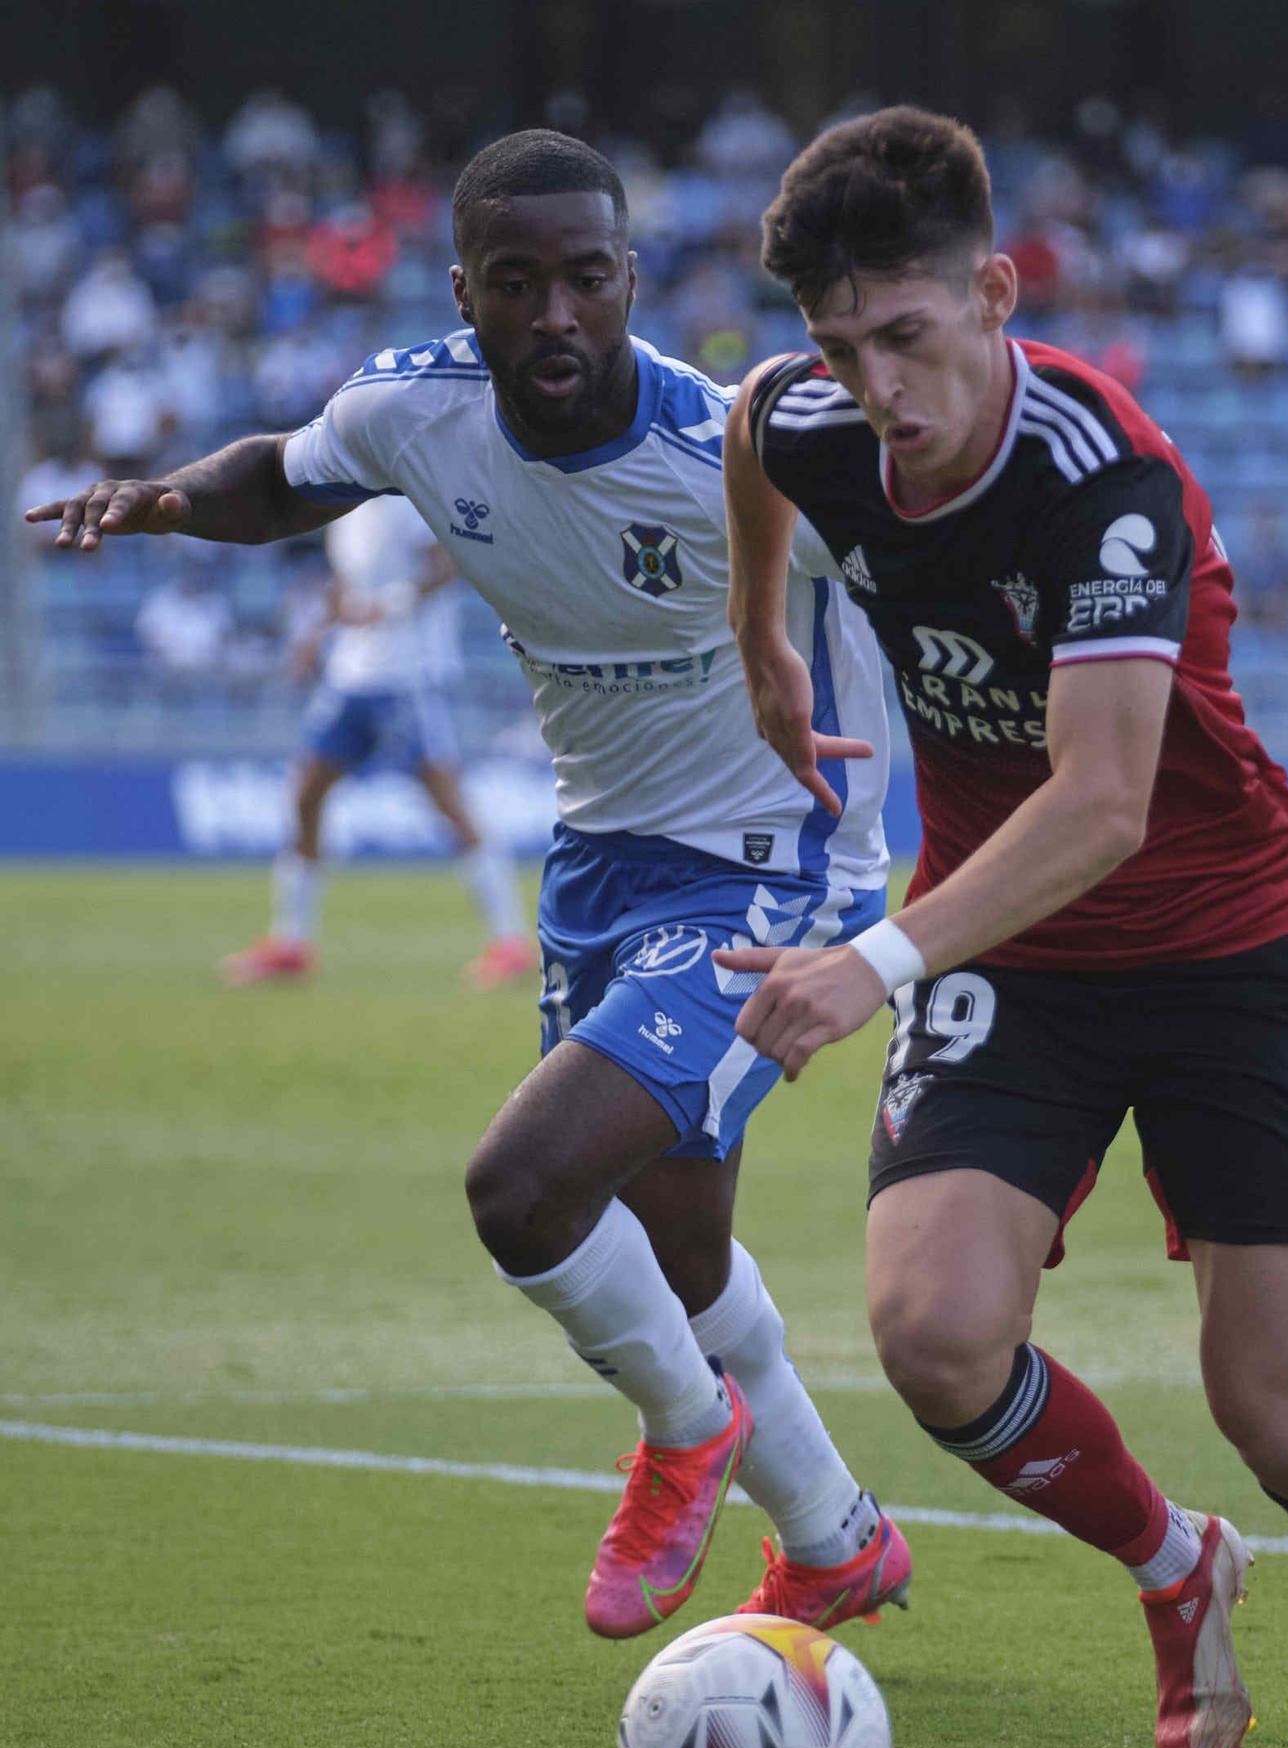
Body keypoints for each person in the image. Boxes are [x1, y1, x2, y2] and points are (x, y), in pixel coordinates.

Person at [715, 106, 1288, 1748]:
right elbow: (752, 434)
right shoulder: (810, 417)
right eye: (843, 345)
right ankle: (1173, 1571)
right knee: (931, 1335)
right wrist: (763, 644)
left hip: (1214, 945)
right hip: (1007, 956)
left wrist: (866, 957)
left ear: (996, 292)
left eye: (911, 337)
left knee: (1281, 1410)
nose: (877, 385)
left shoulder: (1106, 489)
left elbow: (1096, 805)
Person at [24, 129, 909, 1641]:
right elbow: (287, 480)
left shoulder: (738, 457)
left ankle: (687, 1439)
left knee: (526, 1186)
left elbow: (940, 569)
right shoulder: (412, 410)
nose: (554, 313)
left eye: (584, 279)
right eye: (517, 284)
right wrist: (167, 496)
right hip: (600, 859)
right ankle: (832, 1540)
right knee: (676, 1250)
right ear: (466, 292)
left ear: (630, 281)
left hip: (777, 857)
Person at [218, 492, 537, 990]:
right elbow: (347, 591)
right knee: (306, 792)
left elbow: (447, 566)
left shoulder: (411, 502)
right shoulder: (343, 511)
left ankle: (511, 942)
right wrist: (317, 637)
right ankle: (291, 941)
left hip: (408, 674)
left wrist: (388, 606)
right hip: (352, 674)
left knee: (446, 800)